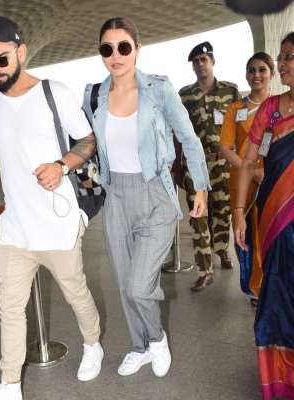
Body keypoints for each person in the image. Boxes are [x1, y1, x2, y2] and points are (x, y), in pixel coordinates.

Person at [0, 16, 102, 400]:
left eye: (1, 60)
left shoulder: (55, 92)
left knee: (76, 293)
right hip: (16, 228)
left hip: (58, 221)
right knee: (9, 308)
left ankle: (93, 344)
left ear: (21, 51)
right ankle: (10, 385)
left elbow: (87, 140)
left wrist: (61, 165)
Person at [82, 17, 209, 378]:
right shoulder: (94, 95)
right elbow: (84, 142)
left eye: (124, 47)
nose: (116, 55)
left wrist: (199, 185)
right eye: (107, 48)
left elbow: (189, 137)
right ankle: (139, 347)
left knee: (141, 285)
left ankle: (156, 338)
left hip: (155, 193)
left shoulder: (158, 90)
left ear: (137, 50)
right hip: (115, 197)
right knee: (125, 284)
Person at [234, 32, 294, 400]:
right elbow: (247, 163)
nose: (283, 64)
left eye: (290, 57)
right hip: (274, 221)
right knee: (276, 298)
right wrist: (240, 213)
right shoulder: (270, 109)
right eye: (282, 57)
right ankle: (281, 383)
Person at [178, 41, 241, 291]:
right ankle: (205, 269)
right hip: (196, 166)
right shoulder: (185, 95)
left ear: (212, 62)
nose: (200, 64)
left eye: (204, 59)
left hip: (223, 164)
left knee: (223, 211)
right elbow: (177, 131)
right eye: (195, 61)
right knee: (198, 216)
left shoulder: (231, 91)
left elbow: (239, 125)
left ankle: (222, 250)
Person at [220, 52, 274, 304]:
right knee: (245, 234)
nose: (256, 75)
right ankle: (255, 286)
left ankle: (272, 285)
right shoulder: (236, 109)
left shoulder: (281, 106)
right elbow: (225, 148)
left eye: (262, 70)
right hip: (243, 182)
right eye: (251, 70)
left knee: (271, 234)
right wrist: (250, 170)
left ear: (271, 74)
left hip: (274, 181)